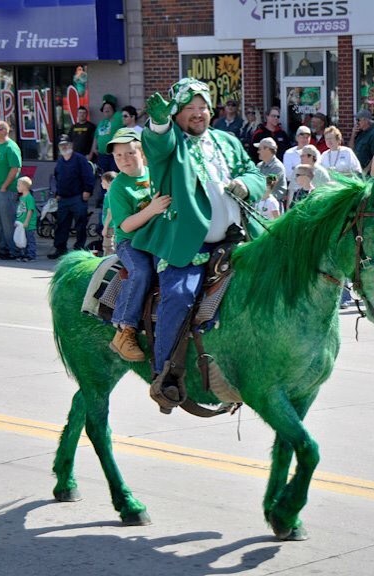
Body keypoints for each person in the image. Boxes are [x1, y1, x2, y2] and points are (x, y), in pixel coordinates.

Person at [137, 77, 266, 409]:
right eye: (190, 109)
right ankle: (164, 375)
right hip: (188, 246)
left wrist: (245, 184)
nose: (198, 114)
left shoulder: (226, 140)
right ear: (177, 114)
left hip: (237, 240)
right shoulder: (171, 144)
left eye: (202, 108)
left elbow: (253, 171)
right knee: (178, 296)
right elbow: (155, 144)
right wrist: (160, 123)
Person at [105, 128, 172, 360]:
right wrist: (152, 209)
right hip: (131, 243)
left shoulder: (156, 174)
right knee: (141, 271)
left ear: (142, 152)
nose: (124, 159)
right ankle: (125, 329)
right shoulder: (119, 187)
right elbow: (125, 226)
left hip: (158, 238)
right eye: (118, 156)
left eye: (130, 153)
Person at [48, 134, 95, 259]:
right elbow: (57, 178)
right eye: (61, 145)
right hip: (63, 198)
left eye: (66, 144)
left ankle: (79, 249)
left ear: (71, 145)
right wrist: (57, 194)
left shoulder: (80, 159)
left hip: (78, 197)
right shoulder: (60, 161)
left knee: (80, 224)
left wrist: (88, 190)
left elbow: (88, 176)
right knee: (61, 224)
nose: (64, 147)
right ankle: (60, 249)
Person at [0, 120, 22, 260]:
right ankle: (3, 249)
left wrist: (4, 186)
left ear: (4, 131)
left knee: (8, 222)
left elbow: (15, 168)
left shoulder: (11, 147)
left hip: (6, 190)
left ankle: (13, 250)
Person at [90, 95, 123, 173]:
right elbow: (96, 136)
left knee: (113, 177)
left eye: (108, 108)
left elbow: (131, 116)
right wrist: (93, 149)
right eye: (104, 108)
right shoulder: (101, 122)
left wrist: (143, 110)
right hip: (102, 156)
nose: (106, 109)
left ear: (113, 109)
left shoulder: (118, 116)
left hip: (114, 155)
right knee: (103, 177)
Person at [255, 137, 288, 211]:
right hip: (261, 205)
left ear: (267, 149)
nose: (258, 152)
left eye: (260, 149)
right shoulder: (259, 166)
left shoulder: (277, 167)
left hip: (273, 208)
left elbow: (268, 188)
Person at [283, 125, 311, 194]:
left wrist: (296, 170)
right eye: (302, 137)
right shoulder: (289, 153)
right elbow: (288, 174)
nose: (305, 139)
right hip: (294, 189)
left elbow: (315, 172)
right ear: (296, 138)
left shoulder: (315, 153)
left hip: (310, 189)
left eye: (307, 137)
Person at [100, 171, 118, 256]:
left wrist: (105, 227)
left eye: (103, 181)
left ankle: (108, 266)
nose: (101, 183)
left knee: (108, 247)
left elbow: (110, 212)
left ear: (110, 182)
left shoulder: (110, 195)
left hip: (110, 226)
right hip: (112, 225)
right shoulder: (111, 194)